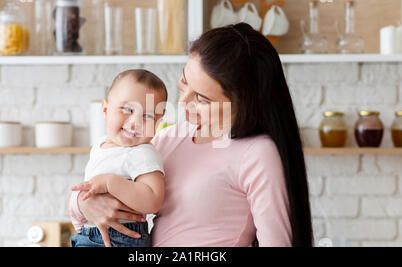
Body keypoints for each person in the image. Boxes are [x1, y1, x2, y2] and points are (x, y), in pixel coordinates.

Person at [68, 23, 313, 247]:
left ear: (243, 102)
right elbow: (100, 183)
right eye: (184, 83)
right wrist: (84, 204)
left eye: (202, 99)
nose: (183, 102)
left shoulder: (257, 153)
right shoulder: (171, 136)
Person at [68, 69, 168, 247]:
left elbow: (153, 200)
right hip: (91, 234)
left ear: (159, 121)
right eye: (128, 109)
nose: (135, 122)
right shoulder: (100, 146)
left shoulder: (142, 152)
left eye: (148, 116)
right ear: (105, 109)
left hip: (120, 239)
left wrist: (110, 183)